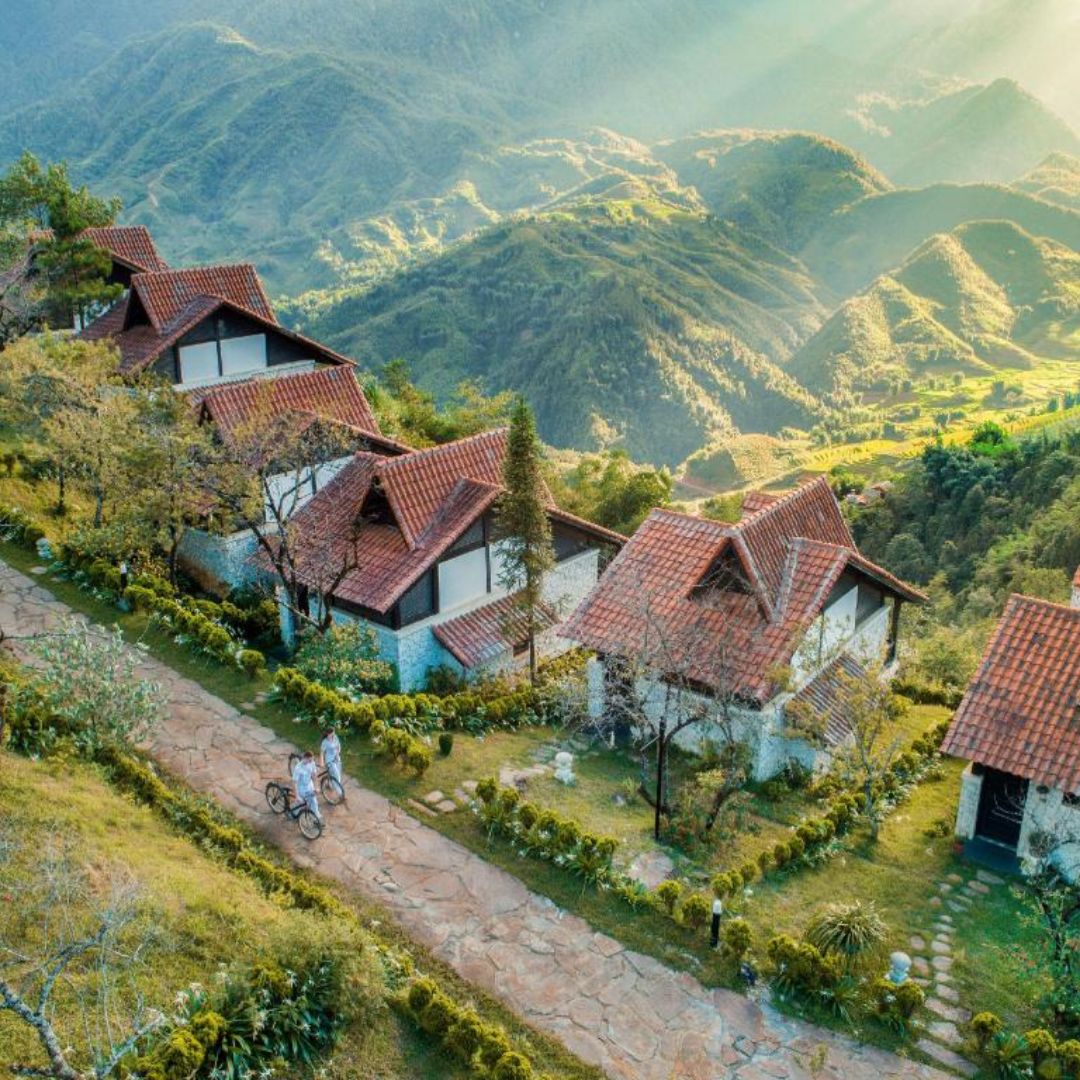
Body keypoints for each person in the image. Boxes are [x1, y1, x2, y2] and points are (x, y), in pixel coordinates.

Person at [292, 750, 321, 821]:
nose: (311, 761)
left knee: (313, 800)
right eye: (310, 760)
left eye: (312, 760)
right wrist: (297, 796)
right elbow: (294, 783)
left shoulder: (312, 763)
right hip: (301, 788)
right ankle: (294, 812)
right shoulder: (298, 768)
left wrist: (316, 787)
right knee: (301, 802)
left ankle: (317, 818)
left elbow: (314, 776)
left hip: (309, 785)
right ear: (305, 758)